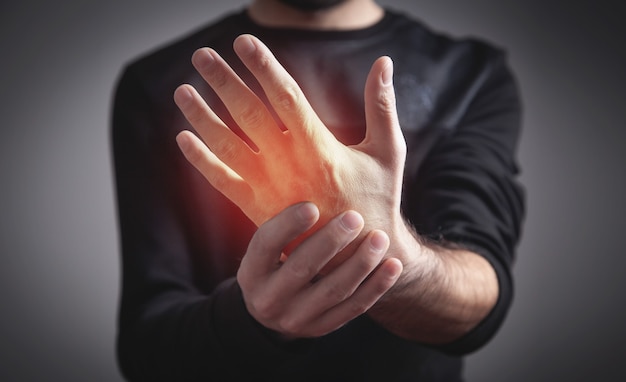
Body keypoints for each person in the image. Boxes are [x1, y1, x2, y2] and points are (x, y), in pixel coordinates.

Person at [111, 0, 525, 380]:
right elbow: (146, 349)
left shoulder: (471, 75)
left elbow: (478, 300)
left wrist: (384, 255)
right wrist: (251, 319)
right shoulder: (156, 86)